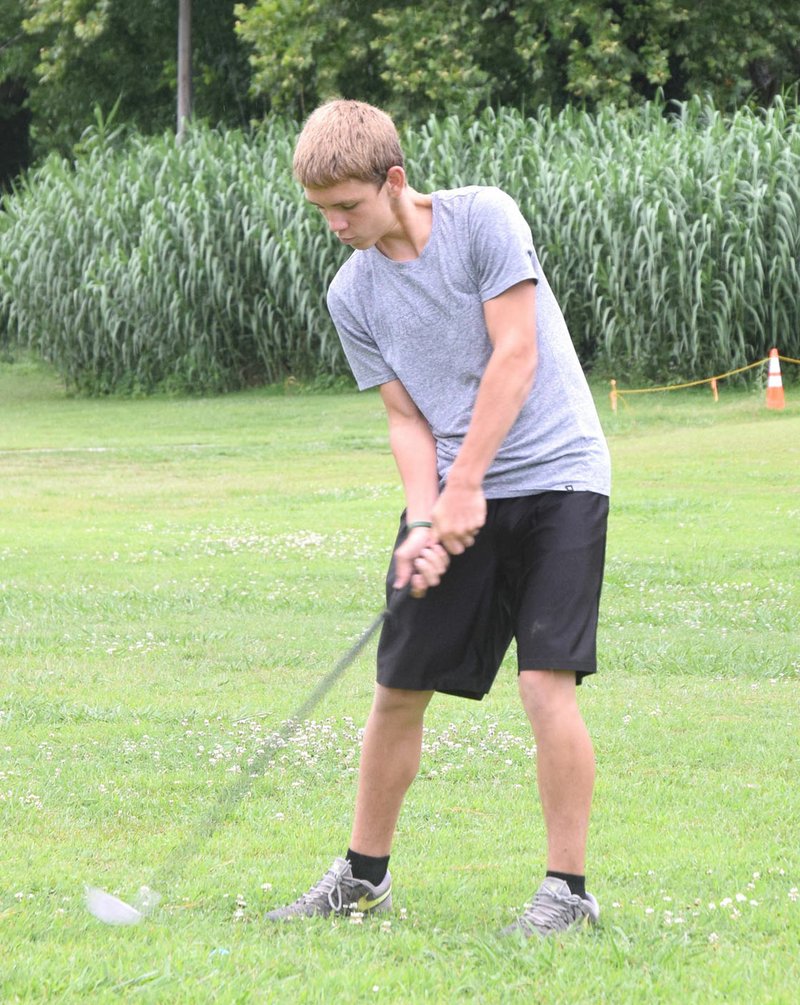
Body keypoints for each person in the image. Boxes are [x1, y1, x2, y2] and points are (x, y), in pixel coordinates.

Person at [266, 99, 611, 936]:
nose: (336, 225)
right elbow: (405, 416)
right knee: (396, 688)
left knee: (544, 682)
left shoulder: (483, 218)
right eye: (323, 213)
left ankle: (568, 892)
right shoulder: (351, 292)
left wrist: (468, 487)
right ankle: (363, 878)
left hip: (561, 475)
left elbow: (517, 352)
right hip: (458, 487)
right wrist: (426, 516)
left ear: (393, 180)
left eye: (347, 205)